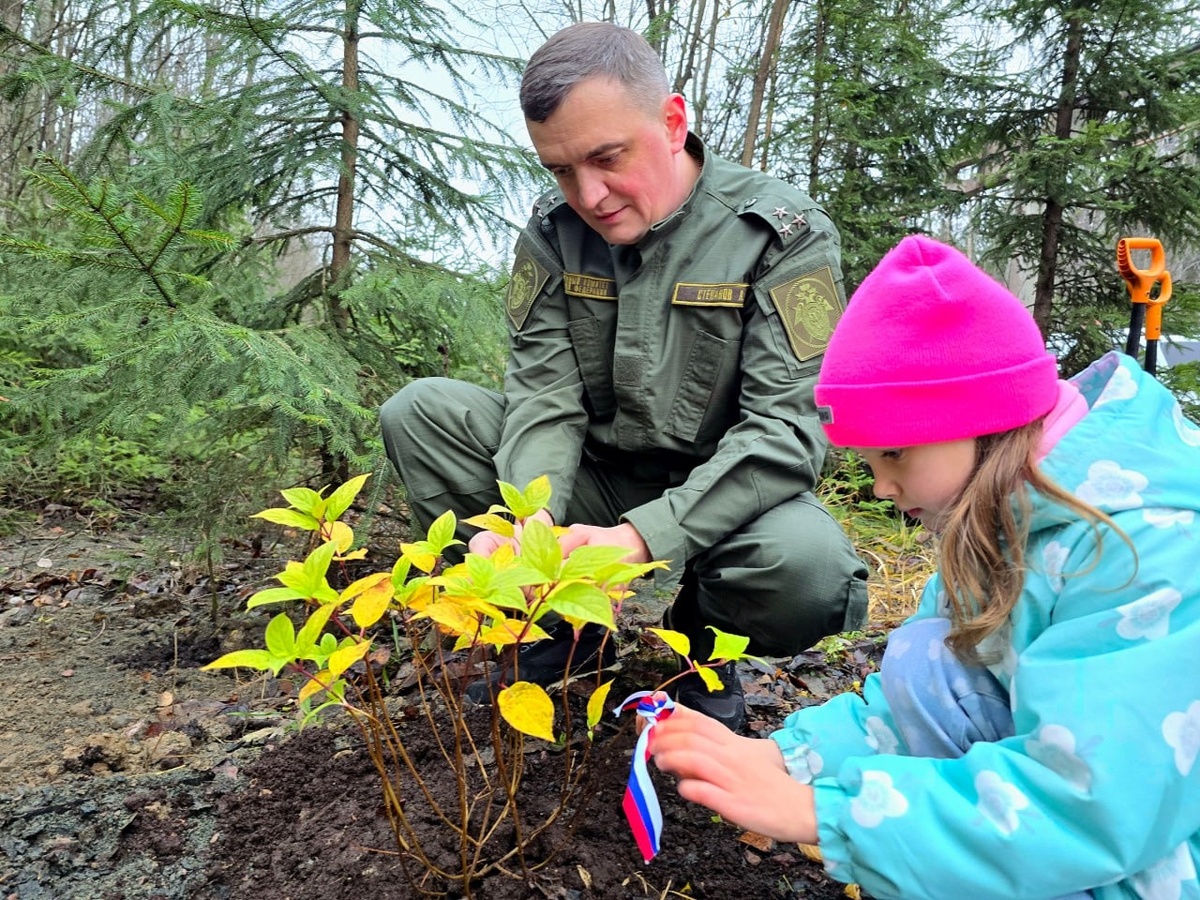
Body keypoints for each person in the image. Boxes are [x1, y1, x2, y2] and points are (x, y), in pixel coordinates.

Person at [649, 234, 1200, 898]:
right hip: (1105, 810)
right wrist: (789, 758)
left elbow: (1096, 805)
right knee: (936, 656)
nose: (882, 488)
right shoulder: (1004, 515)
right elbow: (925, 690)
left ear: (979, 421)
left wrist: (828, 816)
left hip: (1155, 841)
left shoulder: (1143, 550)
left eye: (896, 455)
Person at [379, 22, 868, 731]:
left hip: (726, 496)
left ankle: (699, 656)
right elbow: (543, 394)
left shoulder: (778, 232)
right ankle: (555, 635)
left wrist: (644, 539)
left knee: (808, 568)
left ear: (672, 123)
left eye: (608, 158)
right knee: (421, 413)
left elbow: (787, 431)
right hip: (593, 479)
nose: (590, 193)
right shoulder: (552, 233)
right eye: (561, 170)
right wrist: (530, 523)